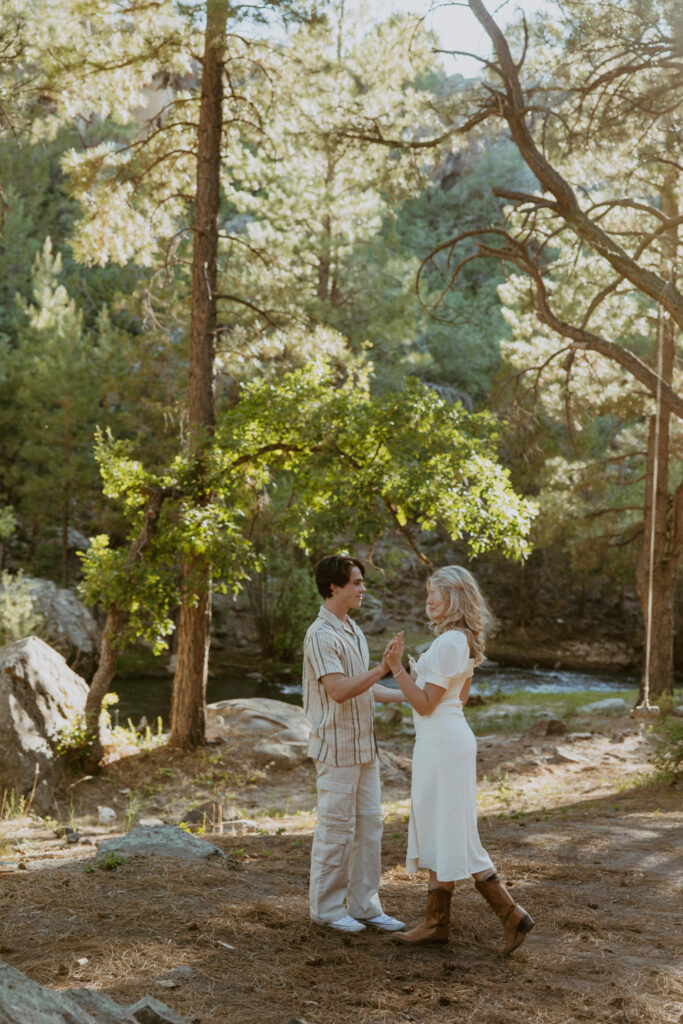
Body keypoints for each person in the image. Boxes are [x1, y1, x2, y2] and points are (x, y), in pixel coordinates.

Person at [384, 565, 534, 954]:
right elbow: (457, 699)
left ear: (454, 597)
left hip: (443, 746)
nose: (428, 600)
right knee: (443, 827)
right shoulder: (457, 640)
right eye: (428, 593)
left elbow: (426, 704)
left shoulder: (451, 642)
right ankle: (438, 923)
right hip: (444, 742)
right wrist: (400, 683)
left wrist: (397, 668)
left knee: (452, 830)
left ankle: (511, 913)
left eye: (435, 592)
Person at [302, 553, 406, 935]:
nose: (363, 589)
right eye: (357, 583)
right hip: (337, 749)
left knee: (369, 828)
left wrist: (408, 693)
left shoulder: (353, 630)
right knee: (336, 829)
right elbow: (340, 690)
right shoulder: (320, 635)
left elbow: (366, 690)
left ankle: (365, 905)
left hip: (365, 749)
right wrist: (383, 667)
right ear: (334, 586)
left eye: (362, 582)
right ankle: (327, 911)